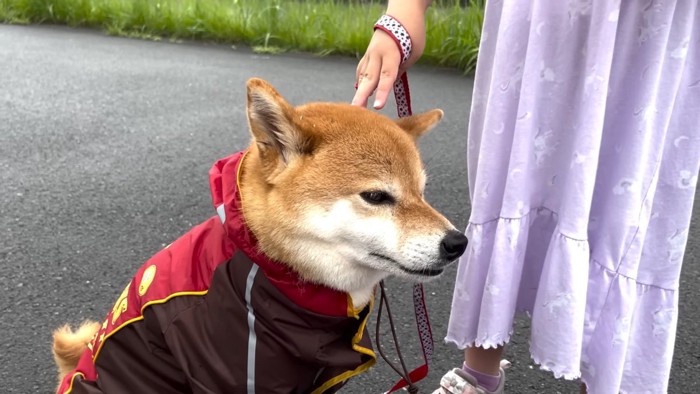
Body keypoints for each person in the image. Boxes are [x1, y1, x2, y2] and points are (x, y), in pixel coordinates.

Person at [352, 1, 700, 393]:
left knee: (624, 206)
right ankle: (478, 377)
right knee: (512, 183)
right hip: (539, 20)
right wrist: (406, 8)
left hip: (652, 24)